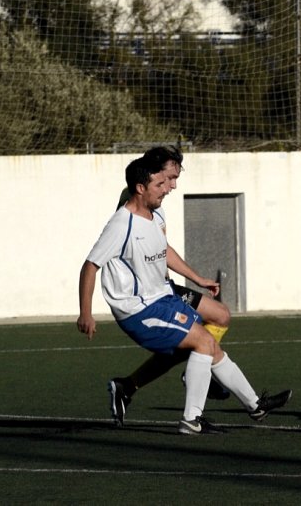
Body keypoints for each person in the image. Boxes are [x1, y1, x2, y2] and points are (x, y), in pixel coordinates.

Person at [77, 155, 291, 434]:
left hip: (163, 296)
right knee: (202, 341)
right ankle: (191, 419)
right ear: (141, 187)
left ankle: (254, 406)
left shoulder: (154, 214)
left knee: (209, 339)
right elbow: (90, 265)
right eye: (162, 182)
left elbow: (163, 249)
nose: (168, 187)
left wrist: (197, 278)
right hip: (139, 309)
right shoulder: (122, 224)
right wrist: (86, 312)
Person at [108, 146, 232, 426]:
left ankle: (138, 383)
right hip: (151, 295)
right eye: (170, 177)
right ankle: (194, 371)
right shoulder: (136, 201)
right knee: (194, 340)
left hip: (165, 287)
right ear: (153, 175)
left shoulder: (156, 200)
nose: (174, 185)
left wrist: (197, 279)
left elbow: (162, 248)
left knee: (219, 317)